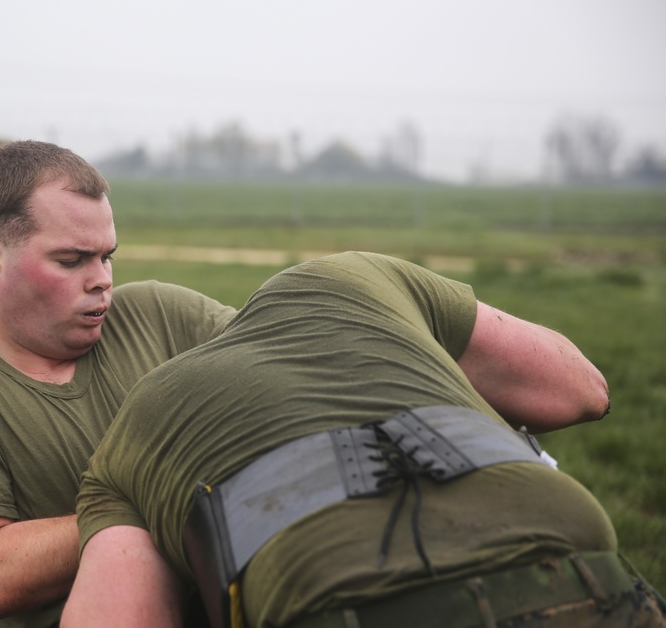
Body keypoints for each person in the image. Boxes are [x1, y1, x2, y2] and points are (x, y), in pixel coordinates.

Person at [63, 252, 665, 628]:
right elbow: (582, 390)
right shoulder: (353, 277)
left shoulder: (127, 437)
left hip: (341, 605)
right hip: (577, 562)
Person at [0, 140, 237, 627]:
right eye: (72, 261)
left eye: (107, 257)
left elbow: (278, 361)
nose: (102, 280)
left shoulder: (164, 317)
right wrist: (178, 504)